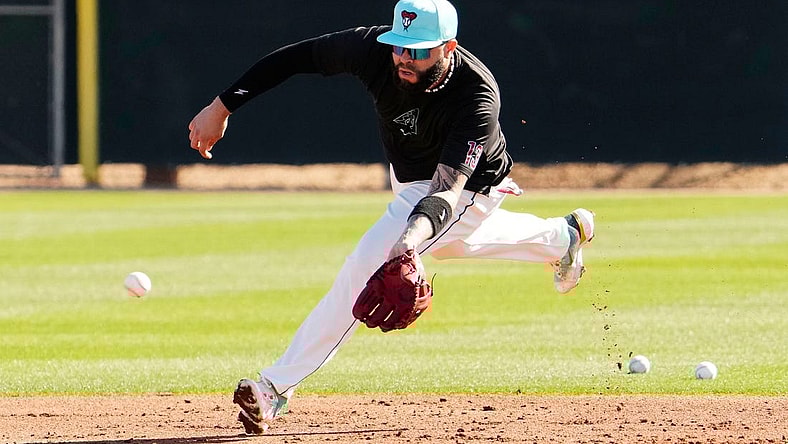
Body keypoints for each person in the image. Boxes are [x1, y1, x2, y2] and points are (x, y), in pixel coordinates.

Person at [188, 0, 595, 435]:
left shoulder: (477, 97)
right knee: (456, 244)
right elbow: (296, 57)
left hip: (468, 188)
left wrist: (406, 242)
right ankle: (561, 237)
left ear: (449, 48)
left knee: (368, 264)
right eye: (399, 46)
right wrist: (223, 106)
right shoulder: (373, 49)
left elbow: (444, 193)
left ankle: (274, 388)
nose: (403, 57)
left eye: (418, 50)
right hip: (409, 179)